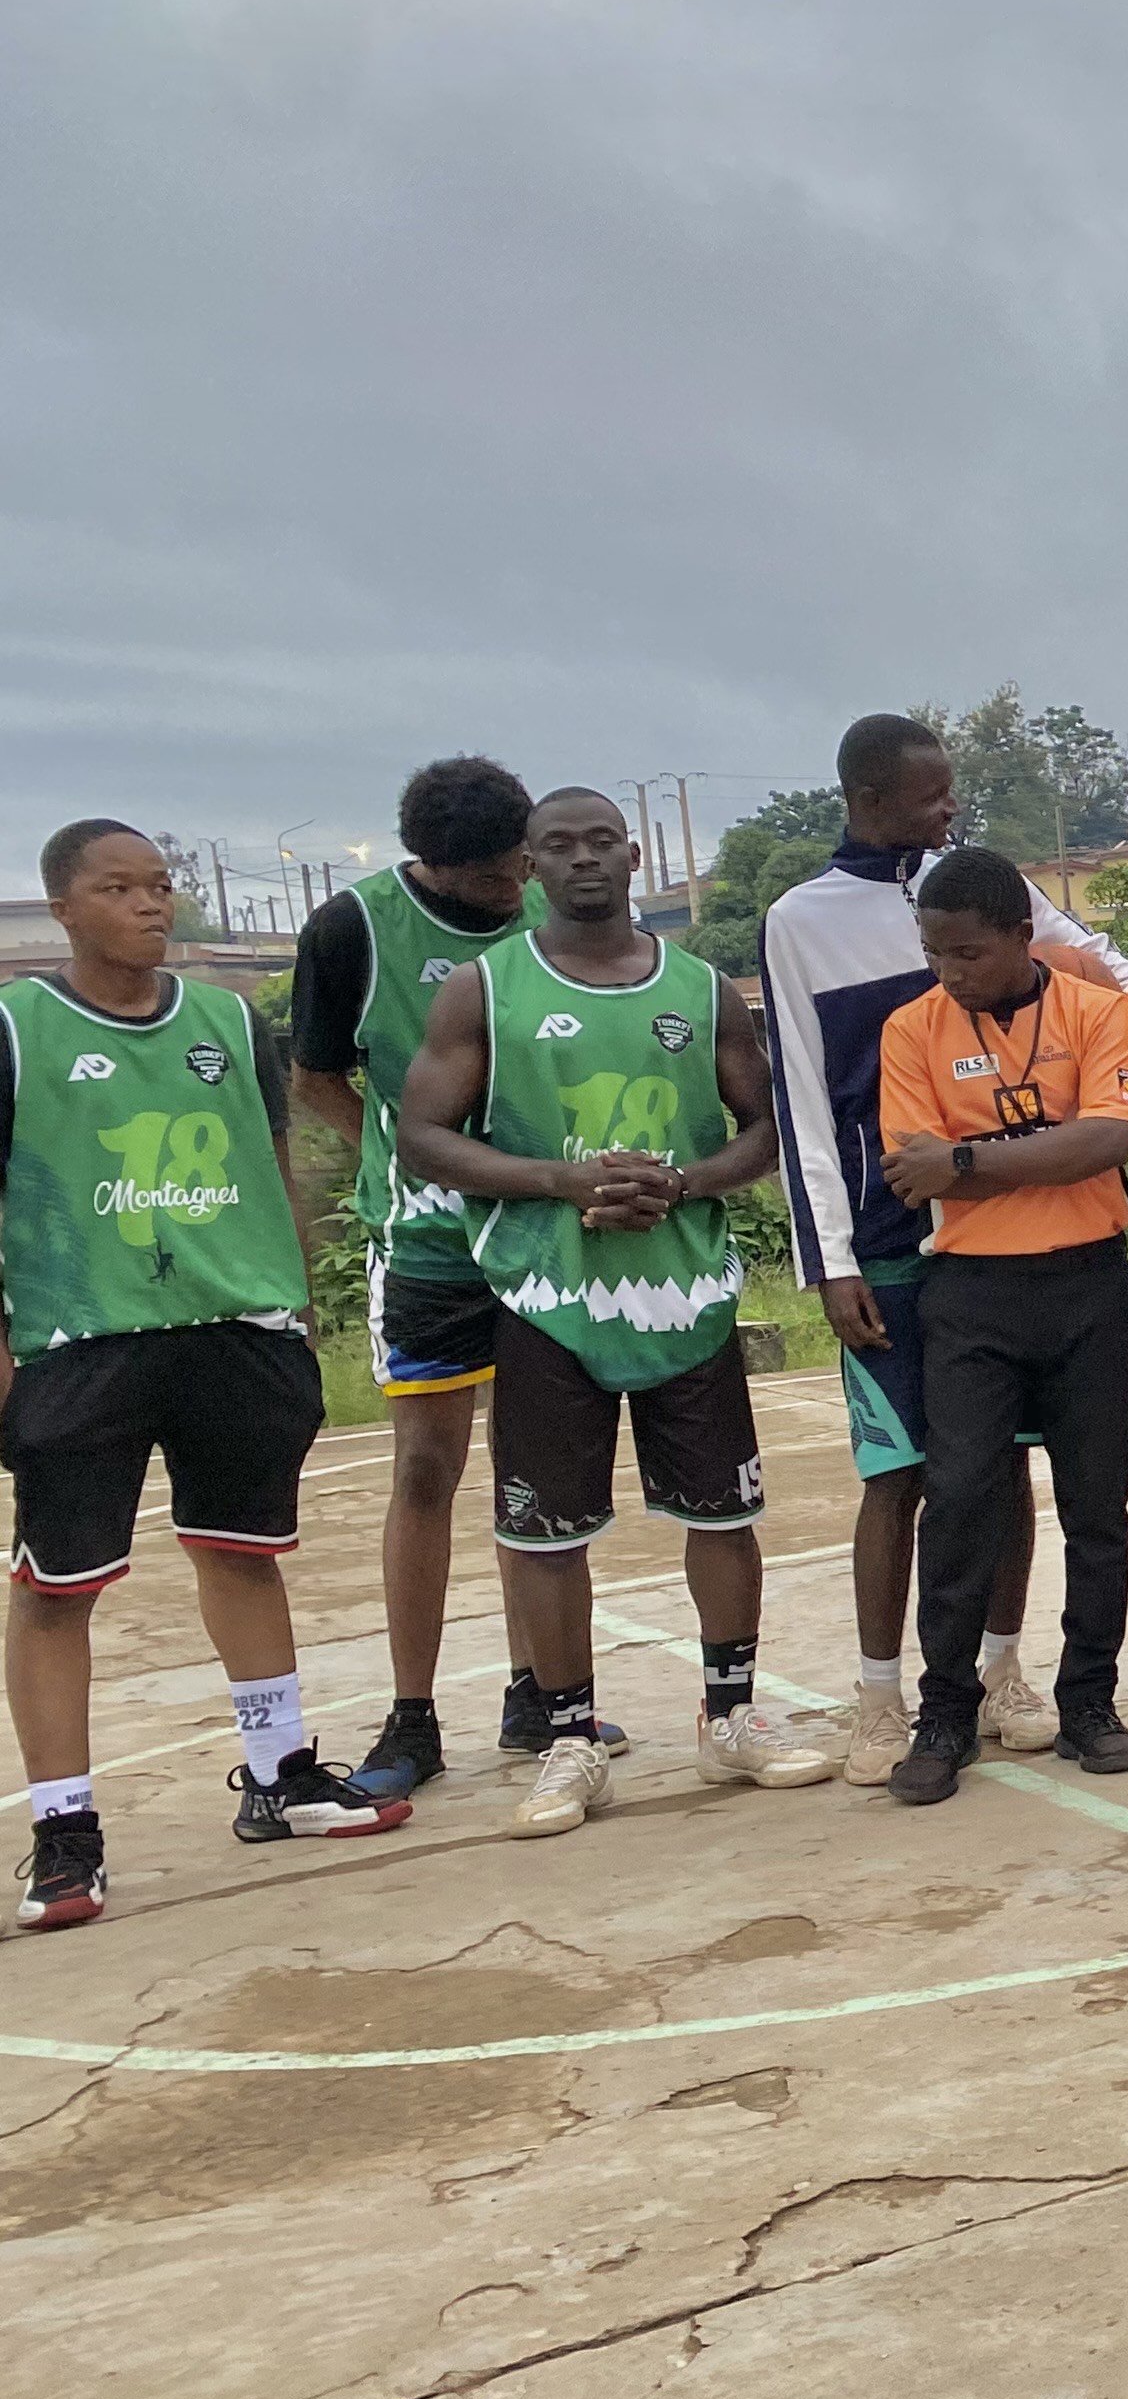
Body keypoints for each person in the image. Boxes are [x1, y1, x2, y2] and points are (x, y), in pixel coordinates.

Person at [393, 787, 836, 1838]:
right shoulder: (482, 989)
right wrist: (558, 1181)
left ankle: (730, 1718)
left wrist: (682, 1183)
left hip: (683, 1288)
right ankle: (570, 1739)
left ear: (633, 856)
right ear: (530, 865)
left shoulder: (698, 988)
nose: (584, 860)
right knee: (547, 1530)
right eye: (560, 845)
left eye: (601, 842)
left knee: (723, 1512)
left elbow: (762, 1126)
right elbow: (422, 1135)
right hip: (548, 1295)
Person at [10, 822, 396, 1929]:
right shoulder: (17, 1029)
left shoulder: (230, 1019)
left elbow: (269, 1158)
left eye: (160, 883)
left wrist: (289, 1305)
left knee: (242, 1553)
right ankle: (64, 1830)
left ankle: (280, 1775)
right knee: (56, 1588)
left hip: (231, 1325)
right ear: (65, 909)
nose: (149, 903)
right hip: (80, 1336)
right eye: (118, 887)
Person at [764, 712, 1128, 1784]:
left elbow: (1117, 982)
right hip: (890, 1244)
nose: (947, 809)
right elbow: (799, 1100)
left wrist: (1064, 967)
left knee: (1005, 1469)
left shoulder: (996, 889)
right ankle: (887, 1698)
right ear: (869, 798)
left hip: (1023, 1244)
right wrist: (828, 1257)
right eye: (930, 795)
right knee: (911, 1477)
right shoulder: (802, 922)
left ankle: (1007, 1671)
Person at [290, 758, 602, 1797]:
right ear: (436, 865)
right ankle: (412, 1716)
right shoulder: (354, 930)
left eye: (521, 868)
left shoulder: (544, 926)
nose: (513, 890)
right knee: (427, 1468)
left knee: (537, 1470)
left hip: (537, 1239)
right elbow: (315, 1075)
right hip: (425, 1249)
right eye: (490, 879)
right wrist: (399, 1158)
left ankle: (543, 1697)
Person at [871, 848, 1128, 1804]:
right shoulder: (910, 1029)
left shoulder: (1098, 1011)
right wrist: (1031, 1152)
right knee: (958, 1502)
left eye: (970, 953)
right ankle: (945, 1712)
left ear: (1021, 939)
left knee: (1096, 1504)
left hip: (1087, 1284)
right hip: (970, 1295)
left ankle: (1091, 1703)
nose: (951, 971)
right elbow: (913, 1164)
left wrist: (972, 1158)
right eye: (935, 952)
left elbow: (1111, 1139)